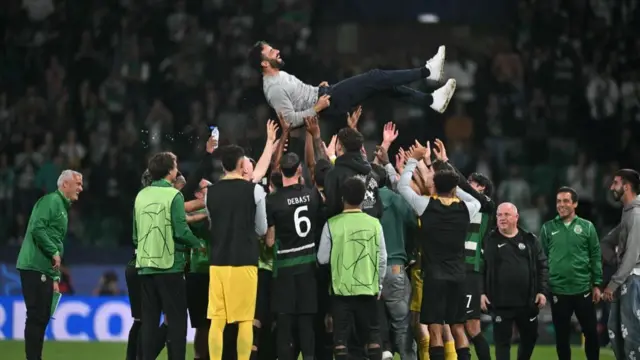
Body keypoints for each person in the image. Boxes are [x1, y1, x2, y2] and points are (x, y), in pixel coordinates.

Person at [397, 142, 480, 360]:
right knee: (458, 328)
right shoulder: (466, 209)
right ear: (453, 189)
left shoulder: (425, 205)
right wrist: (451, 176)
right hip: (458, 275)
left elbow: (402, 187)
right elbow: (475, 200)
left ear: (435, 184)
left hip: (434, 276)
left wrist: (412, 160)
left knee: (435, 328)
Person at [250, 41, 456, 128]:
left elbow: (298, 96)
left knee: (384, 86)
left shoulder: (277, 75)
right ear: (264, 63)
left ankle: (431, 100)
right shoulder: (273, 88)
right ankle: (428, 71)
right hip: (328, 105)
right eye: (271, 52)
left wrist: (316, 89)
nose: (276, 51)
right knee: (376, 76)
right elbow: (289, 121)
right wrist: (316, 107)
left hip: (324, 94)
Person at [133, 152, 203, 360]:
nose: (177, 169)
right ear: (169, 171)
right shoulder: (174, 195)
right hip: (169, 266)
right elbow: (180, 230)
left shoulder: (141, 195)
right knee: (176, 320)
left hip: (145, 266)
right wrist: (197, 244)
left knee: (149, 321)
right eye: (175, 165)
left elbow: (136, 235)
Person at [205, 145, 268, 360]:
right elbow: (261, 228)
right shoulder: (255, 190)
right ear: (242, 165)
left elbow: (213, 224)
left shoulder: (210, 193)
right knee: (245, 320)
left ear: (223, 165)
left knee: (217, 320)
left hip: (218, 261)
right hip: (245, 261)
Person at [317, 176, 388, 360]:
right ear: (364, 198)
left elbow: (322, 258)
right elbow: (382, 259)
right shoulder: (375, 224)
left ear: (343, 198)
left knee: (340, 342)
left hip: (341, 292)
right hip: (368, 290)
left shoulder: (332, 224)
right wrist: (378, 285)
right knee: (373, 339)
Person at [16, 169, 83, 360]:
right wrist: (53, 252)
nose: (81, 188)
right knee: (36, 315)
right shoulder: (51, 201)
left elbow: (55, 240)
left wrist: (55, 277)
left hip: (44, 268)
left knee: (42, 315)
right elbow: (37, 228)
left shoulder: (61, 207)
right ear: (65, 184)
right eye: (78, 183)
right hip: (34, 264)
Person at [266, 152, 321, 360]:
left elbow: (270, 240)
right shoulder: (312, 195)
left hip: (285, 269)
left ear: (281, 171)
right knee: (307, 324)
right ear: (299, 170)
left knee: (285, 324)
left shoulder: (272, 201)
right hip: (308, 266)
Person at [539, 187, 602, 360]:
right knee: (562, 337)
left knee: (591, 333)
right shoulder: (547, 228)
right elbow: (542, 260)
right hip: (558, 290)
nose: (562, 205)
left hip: (583, 289)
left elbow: (595, 256)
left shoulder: (587, 227)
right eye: (559, 201)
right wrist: (543, 288)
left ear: (574, 204)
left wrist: (597, 284)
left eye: (566, 201)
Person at [480, 202, 548, 360]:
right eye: (499, 215)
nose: (502, 218)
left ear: (516, 217)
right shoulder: (489, 240)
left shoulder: (530, 240)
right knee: (502, 343)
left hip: (527, 302)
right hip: (500, 303)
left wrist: (542, 291)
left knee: (530, 339)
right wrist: (481, 292)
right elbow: (481, 268)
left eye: (506, 215)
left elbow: (542, 266)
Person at [371, 162, 418, 360]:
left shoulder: (362, 202)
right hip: (395, 268)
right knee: (403, 326)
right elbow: (415, 223)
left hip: (368, 271)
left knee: (372, 326)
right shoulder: (397, 200)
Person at [600, 169, 640, 360]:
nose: (611, 187)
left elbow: (632, 255)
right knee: (616, 330)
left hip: (634, 279)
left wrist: (613, 284)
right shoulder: (628, 213)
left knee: (630, 334)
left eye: (615, 183)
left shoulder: (636, 215)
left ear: (626, 186)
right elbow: (608, 240)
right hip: (627, 278)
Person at [324, 127, 382, 219]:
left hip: (345, 229)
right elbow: (379, 210)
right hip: (371, 229)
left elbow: (331, 209)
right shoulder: (372, 174)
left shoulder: (334, 175)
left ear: (339, 146)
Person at [187, 179, 213, 360]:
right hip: (199, 274)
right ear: (198, 194)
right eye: (208, 188)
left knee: (216, 324)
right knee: (202, 326)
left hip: (217, 272)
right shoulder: (194, 213)